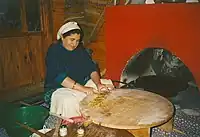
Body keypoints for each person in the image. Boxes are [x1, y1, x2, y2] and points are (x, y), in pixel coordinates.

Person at [44, 21, 114, 119]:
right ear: (62, 37)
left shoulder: (80, 50)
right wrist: (84, 89)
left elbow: (92, 68)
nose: (74, 44)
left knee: (107, 85)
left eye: (77, 40)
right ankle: (75, 124)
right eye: (71, 40)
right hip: (58, 88)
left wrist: (98, 84)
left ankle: (100, 117)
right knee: (69, 101)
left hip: (80, 84)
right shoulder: (54, 51)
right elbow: (60, 77)